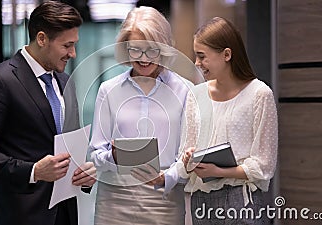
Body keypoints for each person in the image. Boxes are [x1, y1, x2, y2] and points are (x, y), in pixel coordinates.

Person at [0, 1, 96, 225]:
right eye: (67, 45)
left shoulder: (65, 82)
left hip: (65, 213)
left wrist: (84, 174)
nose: (73, 54)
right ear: (42, 38)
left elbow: (67, 146)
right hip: (21, 215)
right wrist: (33, 171)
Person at [87, 6, 192, 225]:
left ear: (163, 48)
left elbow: (188, 155)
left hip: (164, 200)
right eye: (135, 50)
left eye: (151, 50)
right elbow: (96, 153)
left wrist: (168, 177)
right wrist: (112, 157)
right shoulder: (109, 90)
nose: (143, 58)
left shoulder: (185, 91)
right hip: (114, 200)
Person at [179, 17, 278, 225]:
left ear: (226, 54)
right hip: (202, 202)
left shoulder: (260, 94)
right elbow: (185, 152)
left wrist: (220, 172)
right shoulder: (195, 95)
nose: (197, 63)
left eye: (201, 56)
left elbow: (264, 165)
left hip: (242, 202)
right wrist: (189, 158)